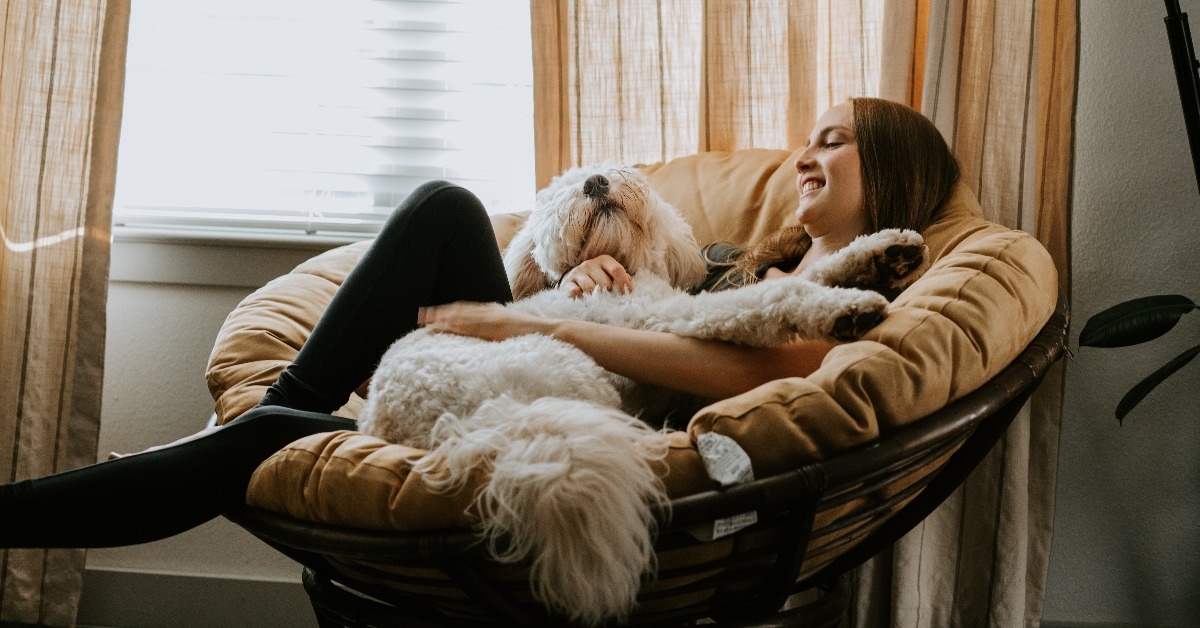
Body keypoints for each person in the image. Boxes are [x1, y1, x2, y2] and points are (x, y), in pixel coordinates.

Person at [0, 97, 959, 549]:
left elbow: (751, 375)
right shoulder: (739, 259)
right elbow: (657, 298)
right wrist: (575, 285)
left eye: (835, 143)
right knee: (446, 208)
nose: (804, 156)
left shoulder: (851, 292)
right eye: (808, 141)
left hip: (574, 404)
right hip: (537, 365)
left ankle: (248, 428)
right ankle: (283, 409)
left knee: (264, 438)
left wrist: (550, 329)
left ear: (893, 176)